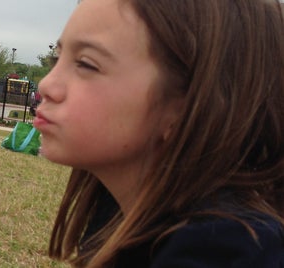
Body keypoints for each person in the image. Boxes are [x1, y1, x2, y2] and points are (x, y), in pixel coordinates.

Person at [33, 0, 284, 266]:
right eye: (57, 58)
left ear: (189, 105)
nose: (47, 84)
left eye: (86, 64)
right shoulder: (121, 213)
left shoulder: (223, 249)